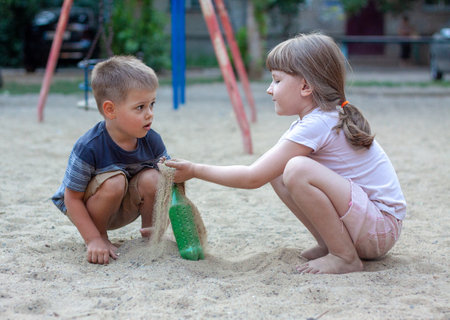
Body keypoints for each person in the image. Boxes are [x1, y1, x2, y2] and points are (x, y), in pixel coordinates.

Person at [166, 33, 406, 274]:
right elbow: (264, 171)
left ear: (305, 86)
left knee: (296, 169)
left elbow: (252, 177)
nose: (270, 90)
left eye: (277, 81)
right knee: (280, 171)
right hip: (370, 227)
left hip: (379, 229)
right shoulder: (318, 120)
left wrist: (195, 170)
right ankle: (331, 244)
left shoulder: (319, 123)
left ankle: (344, 256)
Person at [52, 56, 169, 265]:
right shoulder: (89, 146)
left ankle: (151, 235)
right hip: (89, 207)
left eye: (152, 104)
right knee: (115, 181)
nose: (150, 114)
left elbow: (169, 181)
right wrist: (93, 239)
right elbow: (71, 199)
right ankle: (100, 237)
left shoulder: (152, 140)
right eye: (140, 107)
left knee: (155, 177)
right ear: (110, 110)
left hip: (125, 204)